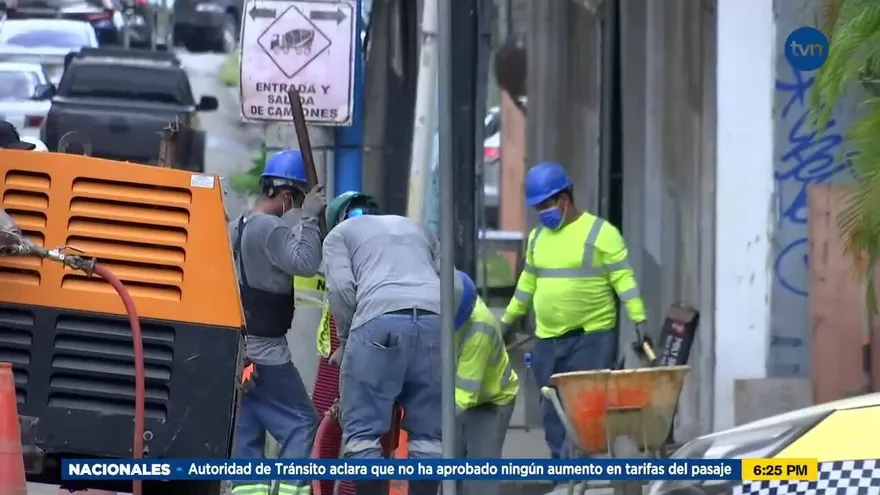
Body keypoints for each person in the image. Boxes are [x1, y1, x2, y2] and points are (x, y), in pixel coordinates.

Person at [500, 162, 647, 459]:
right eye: (537, 207)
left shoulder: (601, 233)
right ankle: (563, 476)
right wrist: (507, 320)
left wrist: (639, 320)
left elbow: (624, 280)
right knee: (552, 411)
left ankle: (577, 471)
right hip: (547, 341)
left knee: (584, 410)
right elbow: (527, 283)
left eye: (545, 205)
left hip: (590, 338)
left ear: (564, 200)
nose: (542, 213)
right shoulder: (538, 238)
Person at [321, 191, 441, 495]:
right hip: (434, 322)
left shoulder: (338, 234)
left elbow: (342, 290)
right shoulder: (416, 228)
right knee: (429, 438)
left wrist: (349, 341)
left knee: (362, 435)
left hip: (377, 321)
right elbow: (444, 279)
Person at [228, 149, 325, 495]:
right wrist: (312, 218)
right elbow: (306, 263)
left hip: (240, 352)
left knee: (248, 425)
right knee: (303, 423)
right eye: (298, 202)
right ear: (286, 197)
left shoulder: (235, 226)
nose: (297, 211)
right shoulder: (270, 228)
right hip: (267, 354)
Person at [452, 269, 519, 495]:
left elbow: (464, 395)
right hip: (454, 396)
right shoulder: (447, 299)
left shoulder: (479, 329)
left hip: (491, 401)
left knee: (479, 479)